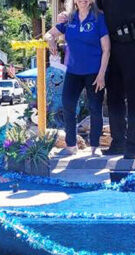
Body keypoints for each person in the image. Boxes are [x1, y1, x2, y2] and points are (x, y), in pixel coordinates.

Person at [60, 0, 135, 159]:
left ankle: (134, 145)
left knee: (134, 97)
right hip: (113, 48)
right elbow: (90, 9)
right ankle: (118, 143)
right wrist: (69, 16)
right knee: (114, 98)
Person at [46, 0, 110, 156]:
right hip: (74, 71)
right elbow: (49, 33)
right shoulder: (69, 19)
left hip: (94, 72)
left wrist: (101, 74)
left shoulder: (98, 18)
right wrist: (50, 39)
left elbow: (106, 49)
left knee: (95, 108)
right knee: (67, 104)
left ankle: (95, 147)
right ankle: (71, 145)